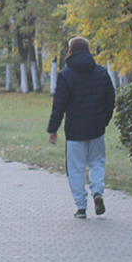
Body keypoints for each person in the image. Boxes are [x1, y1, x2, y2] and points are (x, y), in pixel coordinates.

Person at [46, 36, 116, 218]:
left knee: (76, 168)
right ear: (89, 51)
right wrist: (104, 121)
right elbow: (111, 100)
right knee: (97, 163)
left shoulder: (65, 75)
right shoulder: (101, 72)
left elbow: (59, 105)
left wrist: (53, 128)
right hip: (97, 129)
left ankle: (81, 207)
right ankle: (98, 192)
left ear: (70, 52)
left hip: (75, 130)